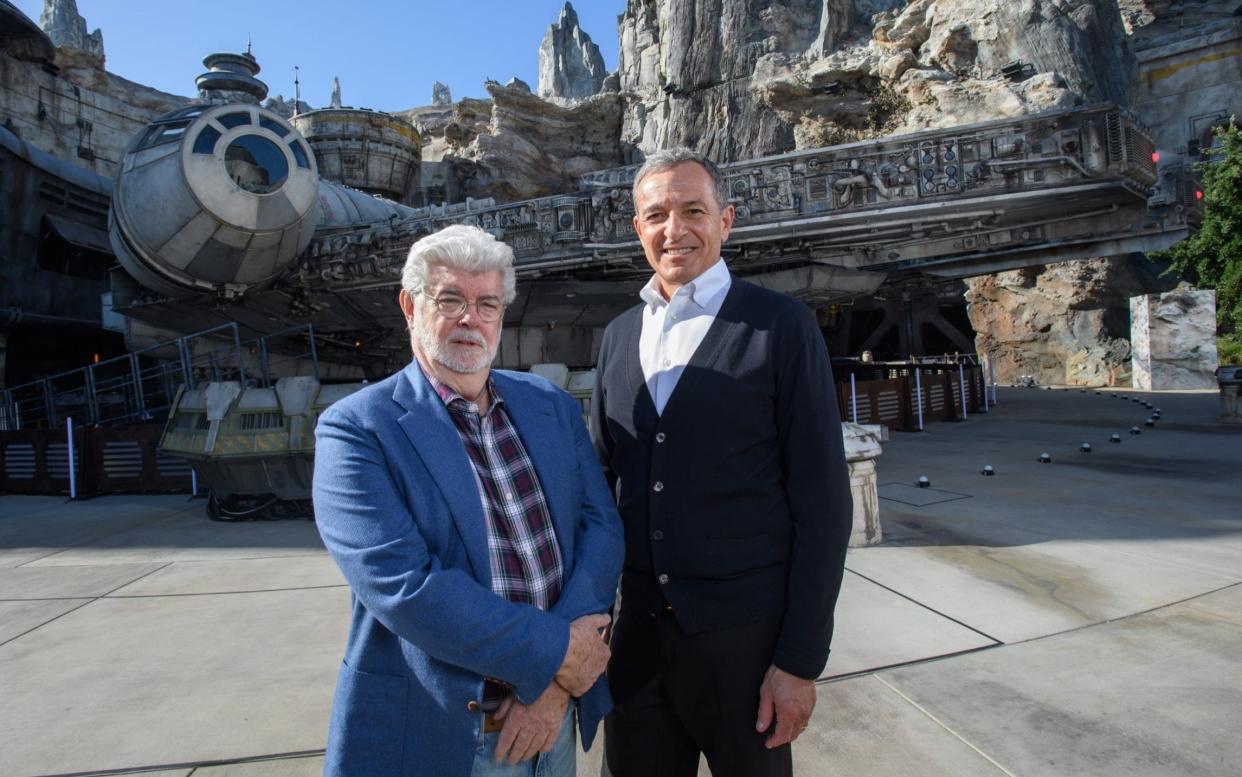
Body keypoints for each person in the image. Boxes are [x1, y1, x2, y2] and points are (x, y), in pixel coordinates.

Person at [313, 224, 625, 777]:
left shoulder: (548, 405)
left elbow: (599, 527)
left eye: (486, 303)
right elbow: (405, 587)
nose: (469, 318)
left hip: (553, 721)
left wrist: (555, 687)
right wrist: (558, 654)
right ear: (410, 306)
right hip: (445, 734)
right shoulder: (356, 429)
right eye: (450, 299)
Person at [590, 149, 852, 777]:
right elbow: (598, 487)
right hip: (637, 649)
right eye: (656, 214)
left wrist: (798, 661)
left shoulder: (781, 327)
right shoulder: (619, 335)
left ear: (727, 221)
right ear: (638, 228)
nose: (673, 230)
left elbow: (823, 503)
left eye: (692, 211)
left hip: (747, 651)